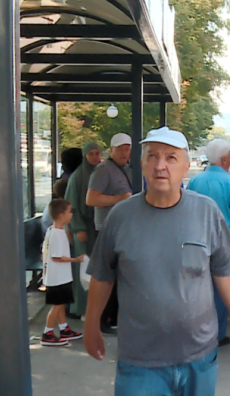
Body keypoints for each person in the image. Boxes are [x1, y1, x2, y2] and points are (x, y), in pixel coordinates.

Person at [84, 127, 230, 396]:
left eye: (171, 158)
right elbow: (102, 276)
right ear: (141, 164)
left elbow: (226, 271)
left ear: (186, 166)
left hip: (199, 357)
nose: (160, 166)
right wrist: (91, 325)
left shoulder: (207, 211)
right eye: (152, 157)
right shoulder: (120, 217)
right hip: (139, 362)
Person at [187, 139, 230, 346]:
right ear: (224, 159)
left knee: (200, 286)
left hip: (199, 240)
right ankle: (218, 332)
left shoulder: (196, 181)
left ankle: (200, 329)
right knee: (223, 287)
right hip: (225, 242)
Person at [87, 133, 132, 334]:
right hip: (107, 229)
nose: (125, 152)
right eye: (121, 148)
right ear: (111, 150)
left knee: (119, 276)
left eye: (128, 148)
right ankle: (102, 320)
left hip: (124, 229)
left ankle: (113, 317)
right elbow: (91, 199)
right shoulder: (103, 170)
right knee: (106, 277)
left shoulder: (128, 168)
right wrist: (118, 199)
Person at [64, 141, 101, 319]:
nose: (95, 157)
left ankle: (93, 307)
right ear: (85, 156)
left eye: (97, 153)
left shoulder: (98, 173)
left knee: (93, 268)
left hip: (94, 227)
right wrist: (77, 228)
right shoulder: (77, 177)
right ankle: (82, 308)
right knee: (83, 268)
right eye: (91, 154)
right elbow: (70, 205)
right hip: (83, 227)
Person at [41, 198, 85, 346]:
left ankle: (63, 328)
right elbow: (57, 256)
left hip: (56, 276)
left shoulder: (51, 230)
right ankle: (47, 332)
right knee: (57, 306)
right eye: (69, 212)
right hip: (58, 277)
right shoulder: (59, 234)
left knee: (59, 304)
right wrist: (76, 260)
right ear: (61, 215)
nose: (71, 215)